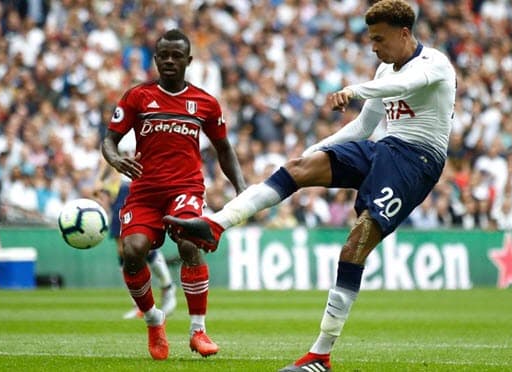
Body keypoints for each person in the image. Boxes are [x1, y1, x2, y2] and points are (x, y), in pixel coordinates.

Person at [163, 1, 456, 371]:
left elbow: (406, 84)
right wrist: (313, 151)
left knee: (356, 244)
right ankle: (216, 223)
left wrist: (353, 89)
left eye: (379, 39)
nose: (373, 47)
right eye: (370, 39)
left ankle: (320, 354)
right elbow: (364, 129)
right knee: (298, 168)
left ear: (404, 34)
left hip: (418, 161)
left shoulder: (435, 64)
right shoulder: (383, 68)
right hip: (384, 149)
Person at [101, 29, 246, 361]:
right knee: (133, 251)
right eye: (163, 55)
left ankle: (198, 331)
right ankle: (154, 319)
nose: (169, 61)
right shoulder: (137, 97)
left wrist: (241, 189)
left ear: (188, 60)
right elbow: (109, 139)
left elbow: (224, 149)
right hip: (145, 192)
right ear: (155, 59)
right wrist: (115, 159)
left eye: (176, 56)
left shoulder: (205, 103)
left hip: (186, 188)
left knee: (189, 240)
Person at [95, 141, 177, 320]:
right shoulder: (121, 124)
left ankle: (167, 286)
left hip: (145, 184)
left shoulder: (148, 121)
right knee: (123, 248)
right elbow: (109, 155)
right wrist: (101, 181)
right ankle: (140, 303)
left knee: (144, 243)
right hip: (123, 188)